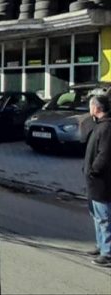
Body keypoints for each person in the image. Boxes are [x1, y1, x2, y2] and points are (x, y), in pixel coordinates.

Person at [85, 94, 111, 267]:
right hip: (93, 181)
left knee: (104, 217)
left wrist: (94, 170)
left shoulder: (107, 127)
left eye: (90, 106)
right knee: (96, 215)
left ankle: (107, 253)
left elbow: (105, 154)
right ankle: (100, 245)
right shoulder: (99, 125)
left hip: (101, 180)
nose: (89, 109)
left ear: (96, 108)